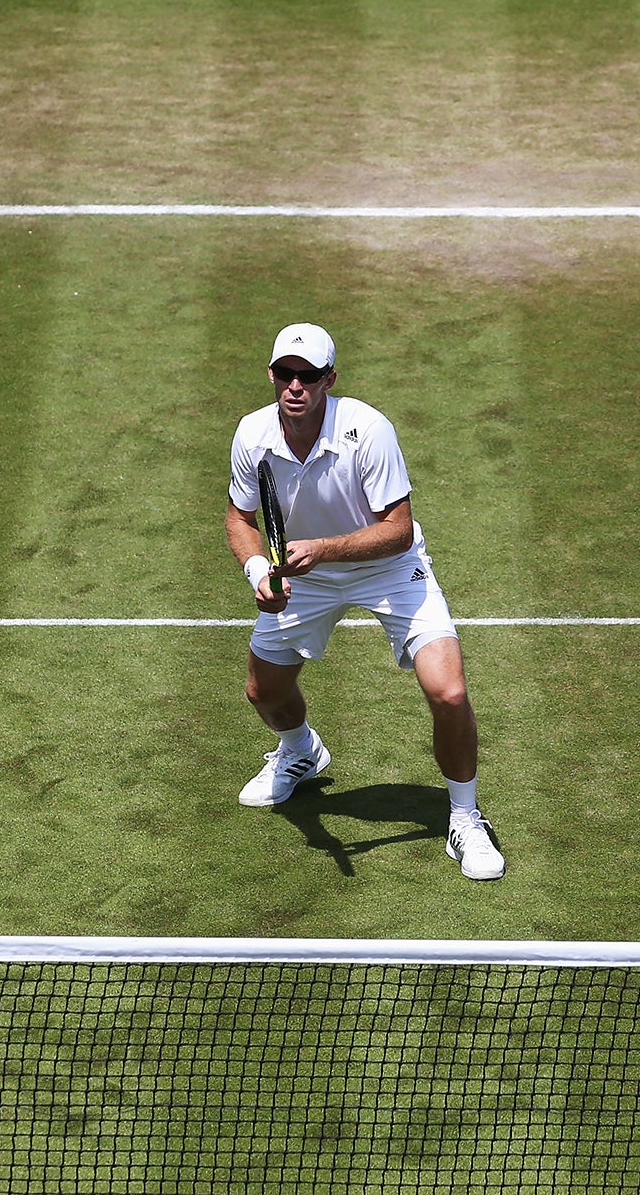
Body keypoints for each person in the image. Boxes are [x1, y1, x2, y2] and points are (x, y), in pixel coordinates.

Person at [225, 323, 504, 880]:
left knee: (449, 693)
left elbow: (398, 531)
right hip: (303, 571)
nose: (295, 386)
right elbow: (240, 518)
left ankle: (465, 818)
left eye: (308, 376)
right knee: (264, 690)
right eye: (285, 374)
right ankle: (301, 751)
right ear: (272, 376)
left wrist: (324, 548)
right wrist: (261, 570)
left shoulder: (368, 429)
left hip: (387, 568)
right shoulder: (252, 435)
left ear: (330, 379)